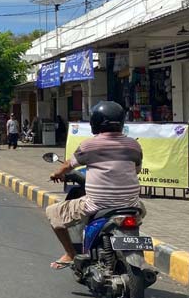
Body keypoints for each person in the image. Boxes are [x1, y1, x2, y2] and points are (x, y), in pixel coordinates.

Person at [46, 101, 143, 270]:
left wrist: (57, 174)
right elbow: (136, 170)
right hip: (131, 204)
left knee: (53, 212)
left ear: (95, 123)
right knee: (141, 210)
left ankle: (70, 254)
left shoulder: (89, 145)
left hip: (97, 204)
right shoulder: (134, 145)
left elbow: (69, 165)